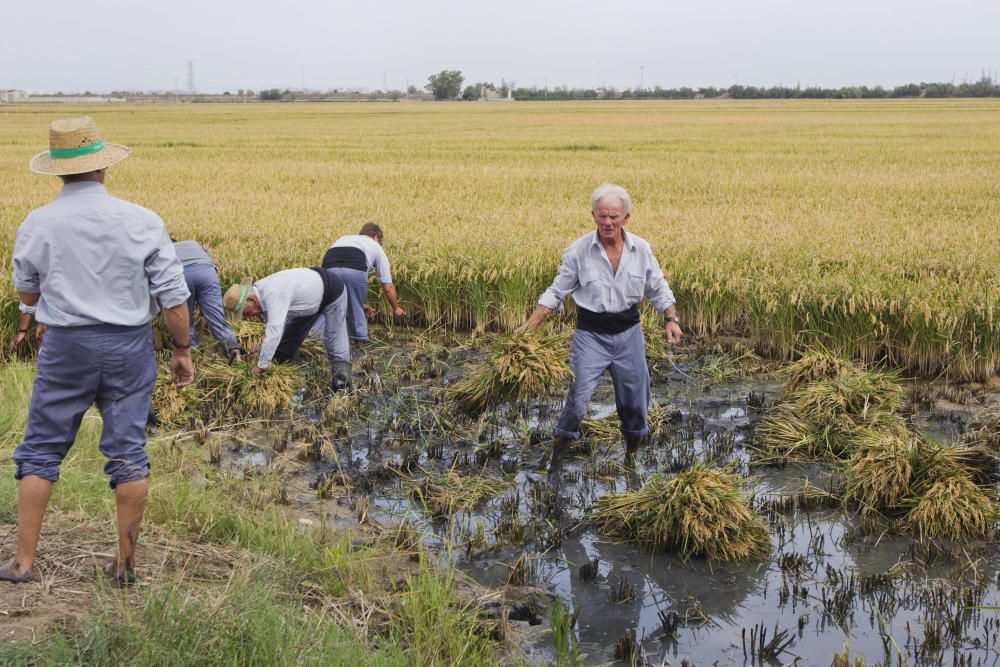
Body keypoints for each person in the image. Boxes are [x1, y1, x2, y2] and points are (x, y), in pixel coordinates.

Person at [1, 117, 194, 585]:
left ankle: (23, 563)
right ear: (104, 168)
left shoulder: (38, 223)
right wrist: (182, 350)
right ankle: (125, 565)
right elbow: (173, 297)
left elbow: (26, 295)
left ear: (58, 172)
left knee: (42, 449)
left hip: (66, 345)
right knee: (128, 451)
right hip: (129, 346)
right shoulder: (142, 220)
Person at [516, 183, 683, 471]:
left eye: (614, 217)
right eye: (602, 216)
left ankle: (631, 462)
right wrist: (530, 325)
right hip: (589, 336)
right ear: (593, 215)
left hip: (629, 335)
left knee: (634, 404)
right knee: (577, 402)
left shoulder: (641, 249)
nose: (607, 222)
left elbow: (658, 287)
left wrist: (671, 318)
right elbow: (557, 291)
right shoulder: (579, 251)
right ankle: (554, 466)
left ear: (626, 218)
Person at [224, 267, 351, 390]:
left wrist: (260, 367)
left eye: (246, 312)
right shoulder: (259, 292)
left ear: (251, 299)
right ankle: (278, 367)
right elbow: (272, 328)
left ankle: (342, 384)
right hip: (305, 298)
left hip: (332, 290)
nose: (247, 317)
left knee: (333, 339)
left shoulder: (273, 293)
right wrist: (263, 349)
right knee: (290, 336)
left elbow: (274, 331)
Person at [320, 223, 405, 343]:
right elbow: (387, 287)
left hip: (328, 270)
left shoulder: (343, 238)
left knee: (329, 305)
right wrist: (396, 308)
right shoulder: (375, 246)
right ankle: (360, 343)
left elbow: (339, 270)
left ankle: (317, 340)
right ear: (376, 237)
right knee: (355, 311)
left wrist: (361, 304)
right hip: (355, 268)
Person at [173, 239, 241, 360]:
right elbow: (210, 262)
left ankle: (194, 356)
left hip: (180, 275)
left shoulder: (164, 250)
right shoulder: (194, 243)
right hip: (207, 273)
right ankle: (233, 350)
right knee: (217, 316)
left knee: (185, 320)